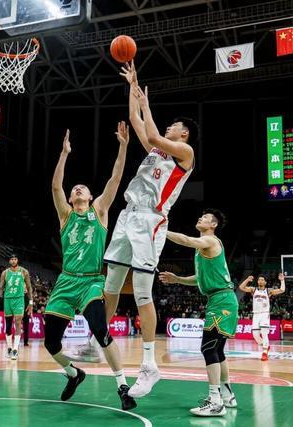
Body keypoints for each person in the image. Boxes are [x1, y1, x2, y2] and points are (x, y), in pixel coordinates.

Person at [68, 62, 197, 400]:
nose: (169, 127)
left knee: (141, 292)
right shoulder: (157, 151)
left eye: (175, 125)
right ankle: (97, 341)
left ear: (184, 133)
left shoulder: (185, 154)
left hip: (151, 221)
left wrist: (147, 104)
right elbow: (137, 122)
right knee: (110, 286)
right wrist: (133, 86)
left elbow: (151, 132)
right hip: (127, 216)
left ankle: (150, 365)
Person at [45, 124, 136, 411]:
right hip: (65, 282)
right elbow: (56, 186)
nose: (77, 188)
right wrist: (64, 154)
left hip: (92, 281)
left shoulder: (100, 210)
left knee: (100, 330)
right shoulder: (65, 215)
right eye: (75, 189)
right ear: (71, 199)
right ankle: (74, 374)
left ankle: (123, 387)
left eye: (82, 188)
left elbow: (116, 178)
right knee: (51, 343)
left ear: (90, 195)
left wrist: (123, 147)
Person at [159, 209, 238, 417]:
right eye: (200, 216)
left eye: (205, 218)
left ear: (213, 225)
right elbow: (199, 278)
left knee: (208, 347)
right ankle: (227, 395)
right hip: (219, 299)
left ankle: (215, 401)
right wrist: (178, 279)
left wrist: (161, 230)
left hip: (222, 300)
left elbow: (186, 240)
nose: (199, 218)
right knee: (217, 350)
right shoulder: (204, 248)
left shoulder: (210, 241)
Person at [0, 255, 33, 360]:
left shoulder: (24, 272)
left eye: (15, 259)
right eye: (12, 259)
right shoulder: (5, 273)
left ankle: (15, 349)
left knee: (18, 322)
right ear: (9, 261)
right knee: (8, 325)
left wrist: (31, 302)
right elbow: (0, 288)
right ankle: (9, 348)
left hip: (19, 299)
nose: (13, 261)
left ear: (17, 260)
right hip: (8, 300)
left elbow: (29, 287)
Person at [238, 273, 286, 361]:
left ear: (265, 282)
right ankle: (266, 345)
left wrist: (282, 280)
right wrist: (247, 280)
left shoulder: (268, 291)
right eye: (259, 279)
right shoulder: (253, 289)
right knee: (255, 335)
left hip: (264, 314)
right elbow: (241, 287)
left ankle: (264, 352)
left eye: (262, 280)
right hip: (256, 314)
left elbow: (282, 290)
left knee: (264, 333)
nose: (260, 281)